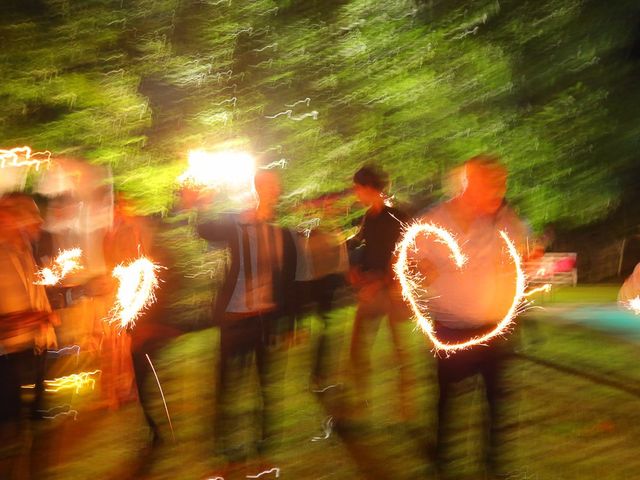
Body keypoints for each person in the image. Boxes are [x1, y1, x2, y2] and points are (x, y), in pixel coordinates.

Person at [414, 155, 527, 478]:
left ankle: (493, 465)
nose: (500, 190)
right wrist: (423, 270)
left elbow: (516, 260)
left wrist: (524, 262)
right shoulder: (435, 221)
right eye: (493, 183)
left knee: (496, 402)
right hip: (450, 330)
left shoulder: (505, 220)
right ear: (471, 183)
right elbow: (415, 265)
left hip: (493, 329)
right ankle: (441, 461)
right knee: (447, 402)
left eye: (502, 183)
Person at [187, 169, 297, 472]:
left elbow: (289, 284)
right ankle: (225, 444)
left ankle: (264, 444)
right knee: (229, 386)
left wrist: (288, 325)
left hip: (264, 321)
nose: (272, 191)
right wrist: (202, 203)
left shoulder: (281, 234)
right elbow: (205, 230)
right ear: (257, 189)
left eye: (275, 187)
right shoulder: (236, 224)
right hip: (235, 320)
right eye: (266, 186)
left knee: (266, 387)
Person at [348, 164, 414, 421]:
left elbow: (402, 257)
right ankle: (362, 402)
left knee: (399, 352)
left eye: (358, 188)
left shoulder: (397, 217)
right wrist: (356, 269)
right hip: (372, 291)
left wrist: (379, 283)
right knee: (358, 348)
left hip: (391, 293)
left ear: (368, 187)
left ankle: (405, 406)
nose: (356, 193)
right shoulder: (369, 217)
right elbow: (365, 247)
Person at [0, 194, 57, 478]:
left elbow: (33, 295)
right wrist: (32, 318)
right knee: (11, 433)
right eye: (32, 215)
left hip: (32, 348)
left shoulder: (22, 249)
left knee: (29, 430)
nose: (40, 221)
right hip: (9, 357)